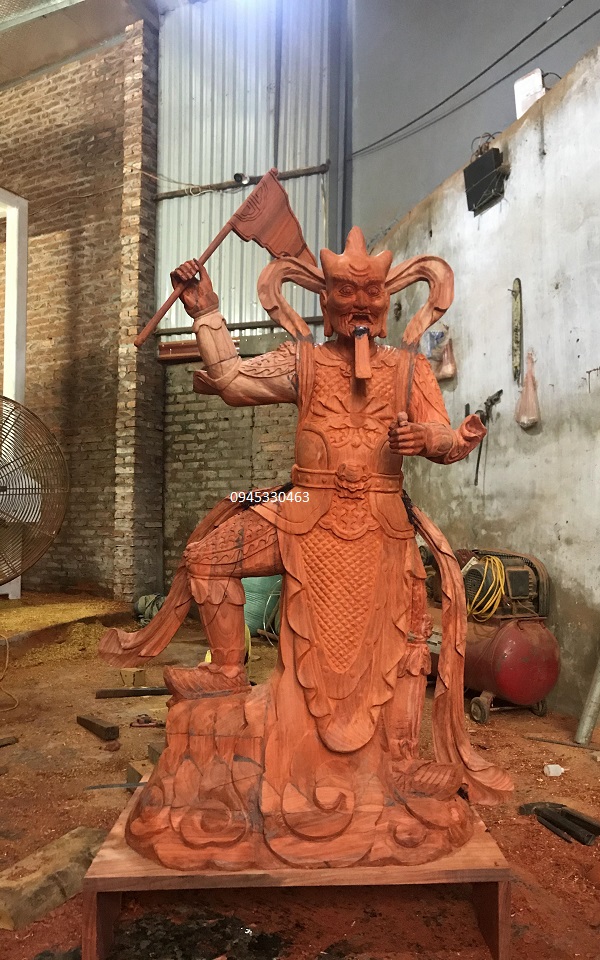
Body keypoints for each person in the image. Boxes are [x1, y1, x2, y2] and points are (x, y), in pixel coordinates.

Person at [100, 227, 511, 869]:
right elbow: (231, 379)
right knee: (208, 556)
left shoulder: (409, 368)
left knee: (403, 638)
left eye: (371, 295)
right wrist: (206, 311)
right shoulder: (304, 360)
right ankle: (228, 669)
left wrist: (437, 439)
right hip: (301, 504)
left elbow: (445, 440)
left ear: (388, 300)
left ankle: (392, 763)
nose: (359, 306)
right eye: (346, 294)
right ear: (323, 299)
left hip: (379, 519)